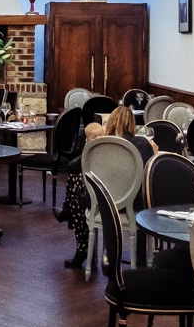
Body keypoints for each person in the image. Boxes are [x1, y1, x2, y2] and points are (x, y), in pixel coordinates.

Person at [57, 105, 157, 269]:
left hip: (103, 202)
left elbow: (72, 167)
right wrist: (154, 153)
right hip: (132, 203)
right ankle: (139, 257)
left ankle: (82, 244)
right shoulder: (142, 143)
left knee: (75, 180)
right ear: (132, 124)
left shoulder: (101, 144)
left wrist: (89, 147)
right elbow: (149, 173)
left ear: (109, 122)